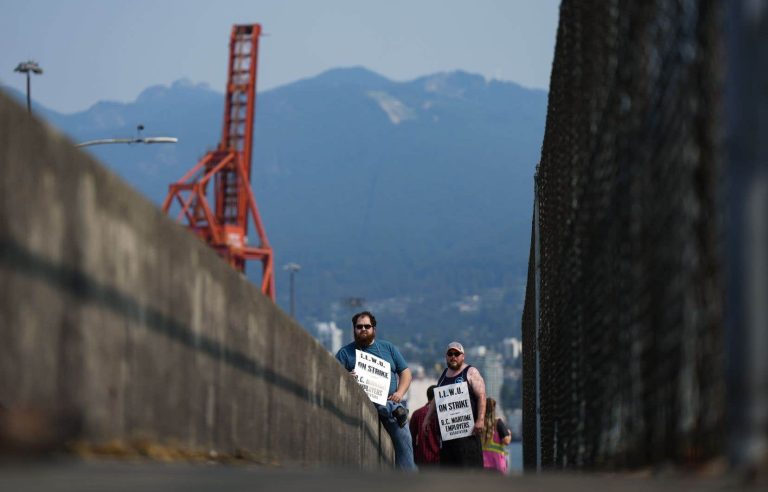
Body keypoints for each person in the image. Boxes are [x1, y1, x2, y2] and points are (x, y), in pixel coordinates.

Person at [335, 311, 416, 470]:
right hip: (362, 404)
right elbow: (334, 380)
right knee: (394, 411)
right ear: (354, 329)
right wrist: (347, 378)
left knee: (404, 437)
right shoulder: (344, 354)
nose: (363, 329)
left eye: (367, 326)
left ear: (374, 329)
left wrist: (399, 393)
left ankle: (408, 479)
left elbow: (405, 373)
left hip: (390, 404)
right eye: (359, 327)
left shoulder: (388, 348)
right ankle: (395, 410)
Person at [426, 341, 487, 468]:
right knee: (450, 476)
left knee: (470, 474)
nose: (453, 356)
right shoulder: (443, 375)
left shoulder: (471, 372)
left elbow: (482, 396)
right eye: (450, 353)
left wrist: (480, 420)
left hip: (468, 435)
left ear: (463, 356)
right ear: (446, 356)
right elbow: (436, 399)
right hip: (448, 437)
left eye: (456, 354)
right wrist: (427, 419)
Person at [409, 385, 440, 467]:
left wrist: (415, 455)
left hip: (422, 458)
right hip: (440, 458)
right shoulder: (443, 414)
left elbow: (411, 437)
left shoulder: (417, 414)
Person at [481, 397, 512, 473]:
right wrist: (509, 434)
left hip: (482, 464)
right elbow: (506, 441)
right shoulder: (498, 423)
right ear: (494, 409)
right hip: (497, 464)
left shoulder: (479, 423)